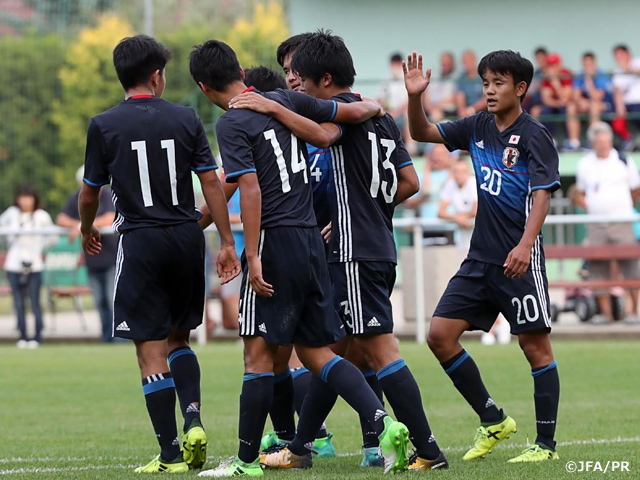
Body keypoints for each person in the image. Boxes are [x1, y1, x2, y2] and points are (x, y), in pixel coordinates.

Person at [189, 39, 411, 477]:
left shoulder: (233, 121)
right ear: (239, 71)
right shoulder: (286, 100)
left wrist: (251, 254)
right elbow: (336, 124)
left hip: (275, 241)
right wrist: (372, 106)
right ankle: (384, 424)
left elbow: (249, 188)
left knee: (257, 357)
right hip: (312, 239)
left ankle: (246, 462)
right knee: (315, 352)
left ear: (203, 87)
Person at [249, 30, 447, 472]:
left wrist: (272, 106)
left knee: (381, 350)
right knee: (334, 352)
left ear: (324, 79)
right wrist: (368, 209)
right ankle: (301, 447)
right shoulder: (382, 119)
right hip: (377, 244)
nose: (296, 85)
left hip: (354, 251)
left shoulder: (344, 115)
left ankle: (429, 450)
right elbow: (410, 182)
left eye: (301, 78)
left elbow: (322, 136)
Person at [78, 34, 241, 474]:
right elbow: (211, 182)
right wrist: (227, 242)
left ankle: (170, 454)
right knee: (178, 339)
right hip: (187, 237)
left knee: (149, 350)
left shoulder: (104, 124)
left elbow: (90, 193)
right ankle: (194, 420)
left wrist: (86, 228)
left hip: (141, 241)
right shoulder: (186, 117)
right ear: (156, 76)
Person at [404, 49, 561, 462]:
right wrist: (415, 97)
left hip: (519, 261)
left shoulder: (534, 136)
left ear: (520, 88)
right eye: (486, 83)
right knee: (439, 336)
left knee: (535, 349)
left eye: (499, 83)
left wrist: (525, 245)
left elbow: (542, 196)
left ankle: (545, 446)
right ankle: (493, 419)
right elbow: (421, 132)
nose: (490, 90)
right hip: (479, 260)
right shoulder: (476, 126)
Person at [573, 121, 640, 324]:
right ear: (592, 143)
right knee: (598, 268)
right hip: (597, 223)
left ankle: (634, 312)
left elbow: (635, 189)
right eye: (599, 141)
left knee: (630, 266)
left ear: (611, 141)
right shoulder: (585, 164)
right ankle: (605, 314)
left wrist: (622, 208)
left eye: (606, 141)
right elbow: (580, 192)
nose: (603, 145)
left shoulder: (623, 160)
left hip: (622, 221)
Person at [56, 166, 119, 343]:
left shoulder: (108, 195)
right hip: (92, 259)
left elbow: (110, 217)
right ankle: (106, 339)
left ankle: (119, 338)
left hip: (112, 259)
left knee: (113, 301)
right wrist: (82, 226)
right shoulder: (77, 197)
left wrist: (84, 226)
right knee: (99, 302)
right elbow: (61, 219)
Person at [0, 185, 56, 348]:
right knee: (18, 302)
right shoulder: (12, 213)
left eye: (28, 197)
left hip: (34, 264)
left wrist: (40, 247)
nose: (25, 201)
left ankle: (37, 337)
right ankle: (23, 336)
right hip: (14, 264)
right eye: (22, 197)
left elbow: (52, 236)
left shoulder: (41, 215)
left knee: (35, 301)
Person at [538, 53, 580, 150]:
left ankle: (573, 143)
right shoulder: (546, 78)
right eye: (549, 65)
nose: (551, 68)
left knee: (570, 108)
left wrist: (555, 82)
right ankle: (551, 141)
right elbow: (546, 99)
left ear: (559, 65)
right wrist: (557, 103)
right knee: (544, 111)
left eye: (553, 65)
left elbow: (565, 97)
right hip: (555, 105)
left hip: (567, 105)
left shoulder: (566, 74)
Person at [612, 44, 640, 150]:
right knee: (617, 123)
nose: (619, 59)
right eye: (616, 57)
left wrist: (628, 69)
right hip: (627, 104)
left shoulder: (637, 62)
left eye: (620, 55)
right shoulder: (617, 72)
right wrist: (620, 107)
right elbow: (617, 91)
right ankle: (630, 139)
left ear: (628, 54)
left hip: (638, 103)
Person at [422, 51, 457, 121]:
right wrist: (429, 106)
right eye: (443, 62)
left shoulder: (456, 78)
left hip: (446, 110)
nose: (445, 64)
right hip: (430, 108)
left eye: (447, 62)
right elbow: (425, 95)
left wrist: (436, 106)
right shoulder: (435, 77)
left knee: (436, 115)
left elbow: (455, 98)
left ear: (452, 63)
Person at [455, 49, 486, 118]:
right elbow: (460, 96)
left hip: (483, 111)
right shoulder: (462, 78)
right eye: (465, 62)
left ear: (474, 60)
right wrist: (462, 111)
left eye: (469, 60)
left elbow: (486, 98)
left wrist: (471, 110)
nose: (467, 64)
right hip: (467, 112)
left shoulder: (483, 76)